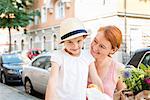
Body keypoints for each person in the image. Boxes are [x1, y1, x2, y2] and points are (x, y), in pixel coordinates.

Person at [45, 18, 104, 100]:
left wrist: (102, 96)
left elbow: (96, 79)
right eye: (70, 42)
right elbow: (52, 81)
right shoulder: (58, 56)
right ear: (63, 42)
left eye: (79, 41)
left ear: (83, 38)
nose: (75, 46)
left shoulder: (87, 56)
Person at [90, 25, 126, 99]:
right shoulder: (80, 61)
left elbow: (124, 97)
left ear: (113, 50)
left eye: (102, 46)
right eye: (95, 41)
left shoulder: (119, 69)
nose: (95, 47)